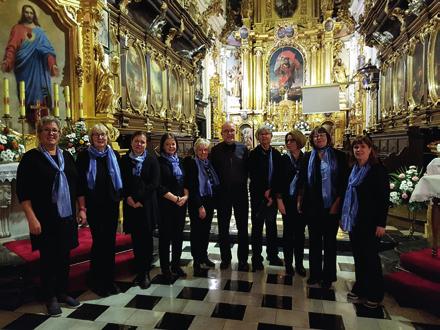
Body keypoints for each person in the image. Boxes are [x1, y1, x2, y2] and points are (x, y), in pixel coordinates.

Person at [16, 116, 83, 316]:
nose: (51, 133)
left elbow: (76, 185)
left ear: (59, 134)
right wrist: (31, 218)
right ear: (39, 134)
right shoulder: (30, 159)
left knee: (64, 256)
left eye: (54, 130)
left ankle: (63, 292)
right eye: (46, 130)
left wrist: (82, 209)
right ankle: (50, 296)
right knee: (49, 258)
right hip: (44, 218)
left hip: (67, 216)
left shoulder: (67, 157)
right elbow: (23, 192)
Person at [341, 136, 389, 308]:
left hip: (370, 222)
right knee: (359, 257)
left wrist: (381, 224)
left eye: (362, 147)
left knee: (370, 258)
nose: (358, 150)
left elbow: (383, 199)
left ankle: (375, 294)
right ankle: (361, 287)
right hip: (355, 220)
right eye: (355, 147)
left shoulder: (377, 170)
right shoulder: (353, 169)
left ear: (370, 149)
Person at [297, 126, 348, 289]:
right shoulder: (307, 157)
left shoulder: (339, 156)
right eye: (315, 136)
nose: (318, 138)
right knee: (314, 241)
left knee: (329, 242)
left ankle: (328, 275)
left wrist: (337, 203)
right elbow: (303, 180)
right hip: (312, 205)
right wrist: (300, 199)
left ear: (328, 137)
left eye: (321, 135)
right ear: (311, 139)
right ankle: (315, 274)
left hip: (331, 205)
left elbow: (343, 182)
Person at [76, 123, 123, 297]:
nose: (100, 138)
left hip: (111, 205)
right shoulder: (84, 157)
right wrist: (82, 208)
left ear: (107, 136)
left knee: (110, 242)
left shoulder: (114, 155)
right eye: (96, 135)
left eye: (103, 134)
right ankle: (97, 280)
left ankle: (110, 279)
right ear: (91, 138)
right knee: (99, 242)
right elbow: (80, 186)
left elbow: (119, 179)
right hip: (94, 207)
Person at [2, 5, 59, 121]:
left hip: (40, 69)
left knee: (42, 95)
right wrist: (8, 60)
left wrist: (52, 65)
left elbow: (48, 50)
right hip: (24, 68)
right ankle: (29, 118)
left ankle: (43, 120)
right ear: (23, 14)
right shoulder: (17, 28)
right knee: (26, 95)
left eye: (31, 13)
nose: (29, 15)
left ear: (34, 15)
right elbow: (12, 46)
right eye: (26, 12)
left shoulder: (39, 31)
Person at [120, 131, 160, 289]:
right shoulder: (124, 160)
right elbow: (121, 180)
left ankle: (145, 273)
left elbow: (155, 183)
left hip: (147, 205)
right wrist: (128, 197)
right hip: (131, 205)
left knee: (147, 240)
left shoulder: (151, 159)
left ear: (146, 144)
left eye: (142, 142)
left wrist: (138, 199)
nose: (139, 145)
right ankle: (139, 270)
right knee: (136, 240)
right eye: (136, 141)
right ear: (131, 142)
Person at [210, 121, 249, 271]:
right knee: (223, 228)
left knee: (243, 228)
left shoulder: (243, 149)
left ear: (236, 132)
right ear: (222, 133)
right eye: (226, 131)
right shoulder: (216, 150)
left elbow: (248, 170)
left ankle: (243, 260)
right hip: (223, 195)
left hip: (240, 194)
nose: (229, 133)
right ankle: (226, 259)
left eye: (232, 130)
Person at [248, 125, 282, 271]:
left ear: (271, 136)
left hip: (273, 196)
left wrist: (272, 192)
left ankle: (272, 254)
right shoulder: (253, 154)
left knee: (272, 226)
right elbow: (253, 175)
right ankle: (256, 257)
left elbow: (278, 176)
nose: (264, 136)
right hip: (258, 196)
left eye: (267, 133)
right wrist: (264, 192)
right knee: (257, 227)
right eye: (261, 134)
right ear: (258, 137)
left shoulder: (276, 153)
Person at [184, 138, 219, 275]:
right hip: (196, 202)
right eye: (200, 149)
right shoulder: (192, 163)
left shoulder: (208, 163)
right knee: (197, 232)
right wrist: (199, 206)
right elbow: (192, 186)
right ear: (196, 150)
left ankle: (204, 256)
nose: (203, 152)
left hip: (208, 201)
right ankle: (197, 260)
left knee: (206, 231)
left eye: (205, 149)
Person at [275, 130, 307, 276]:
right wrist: (279, 201)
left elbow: (307, 180)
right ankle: (288, 264)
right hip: (287, 201)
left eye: (292, 140)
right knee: (288, 234)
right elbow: (277, 181)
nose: (288, 143)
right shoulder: (283, 159)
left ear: (299, 142)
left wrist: (302, 199)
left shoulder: (306, 158)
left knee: (300, 234)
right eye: (287, 141)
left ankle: (299, 264)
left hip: (301, 201)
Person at [158, 133, 188, 281]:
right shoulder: (159, 162)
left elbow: (185, 182)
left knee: (178, 236)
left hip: (181, 205)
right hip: (166, 205)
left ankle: (175, 264)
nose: (171, 146)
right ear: (163, 146)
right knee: (165, 237)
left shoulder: (180, 161)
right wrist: (175, 198)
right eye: (168, 144)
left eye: (173, 144)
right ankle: (165, 269)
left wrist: (185, 197)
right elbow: (159, 186)